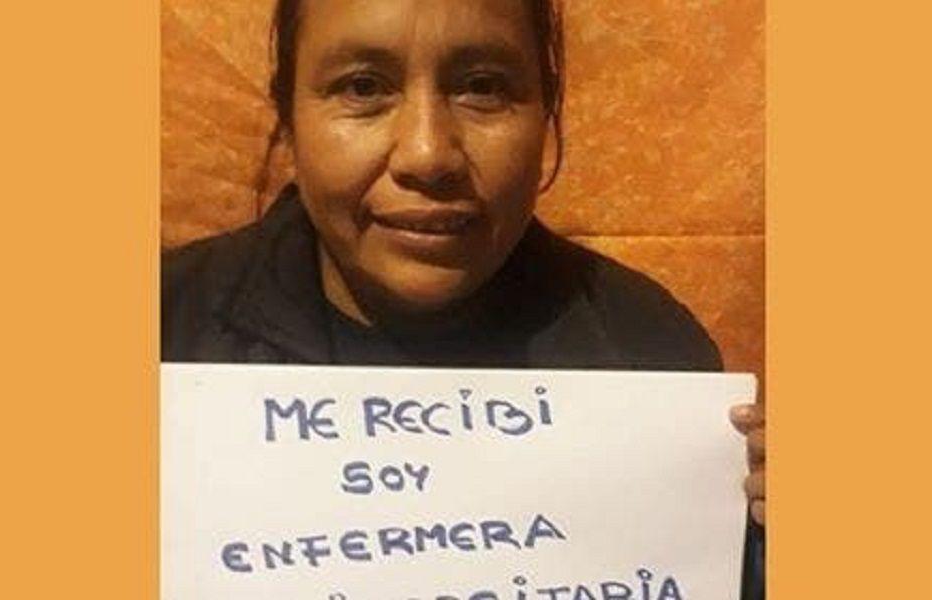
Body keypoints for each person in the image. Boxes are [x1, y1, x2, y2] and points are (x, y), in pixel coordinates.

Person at [162, 0, 765, 597]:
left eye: (483, 87)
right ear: (289, 115)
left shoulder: (648, 351)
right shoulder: (162, 326)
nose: (427, 155)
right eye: (363, 87)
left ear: (546, 112)